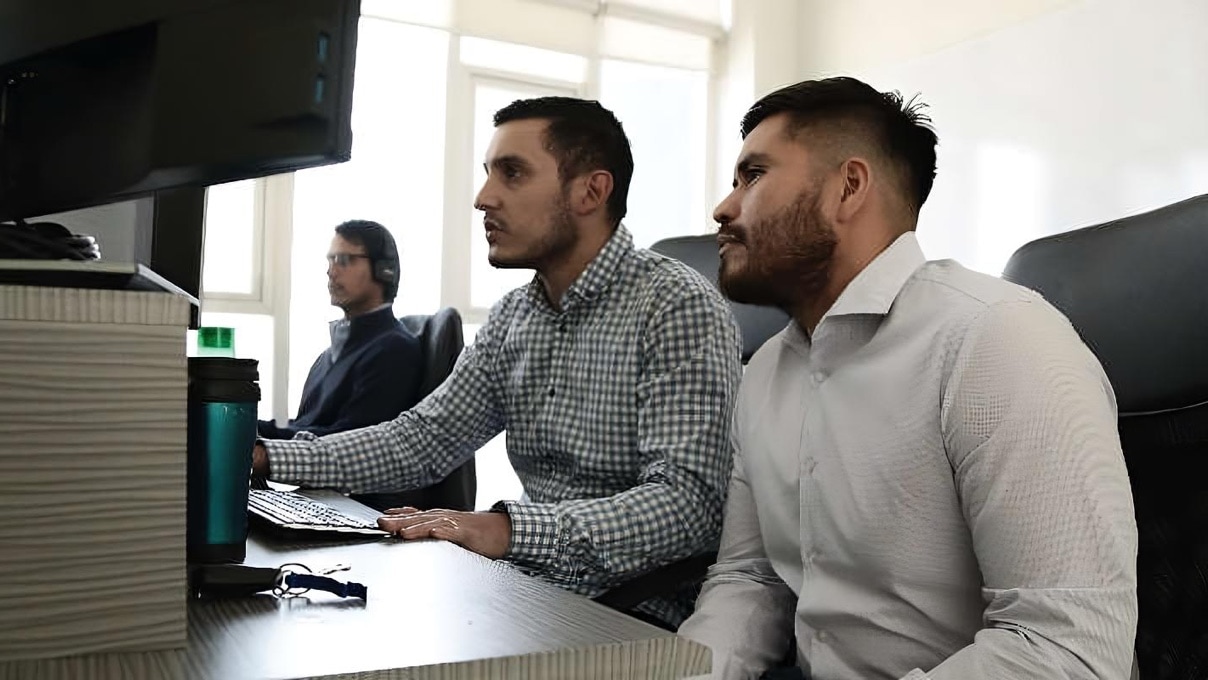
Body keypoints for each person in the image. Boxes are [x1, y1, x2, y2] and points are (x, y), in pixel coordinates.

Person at [679, 77, 1138, 679]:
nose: (723, 207)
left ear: (848, 188)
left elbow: (1067, 649)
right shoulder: (766, 370)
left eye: (754, 175)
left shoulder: (995, 339)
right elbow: (751, 578)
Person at [252, 97, 743, 626]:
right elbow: (421, 441)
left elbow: (690, 505)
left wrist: (504, 529)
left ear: (591, 191)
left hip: (632, 611)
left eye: (512, 173)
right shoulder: (514, 315)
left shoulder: (675, 304)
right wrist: (262, 458)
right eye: (488, 173)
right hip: (525, 589)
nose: (483, 198)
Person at [257, 220, 422, 439]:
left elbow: (350, 441)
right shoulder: (326, 358)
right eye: (330, 260)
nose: (331, 271)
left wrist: (263, 439)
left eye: (343, 260)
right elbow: (303, 428)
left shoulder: (393, 351)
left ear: (384, 270)